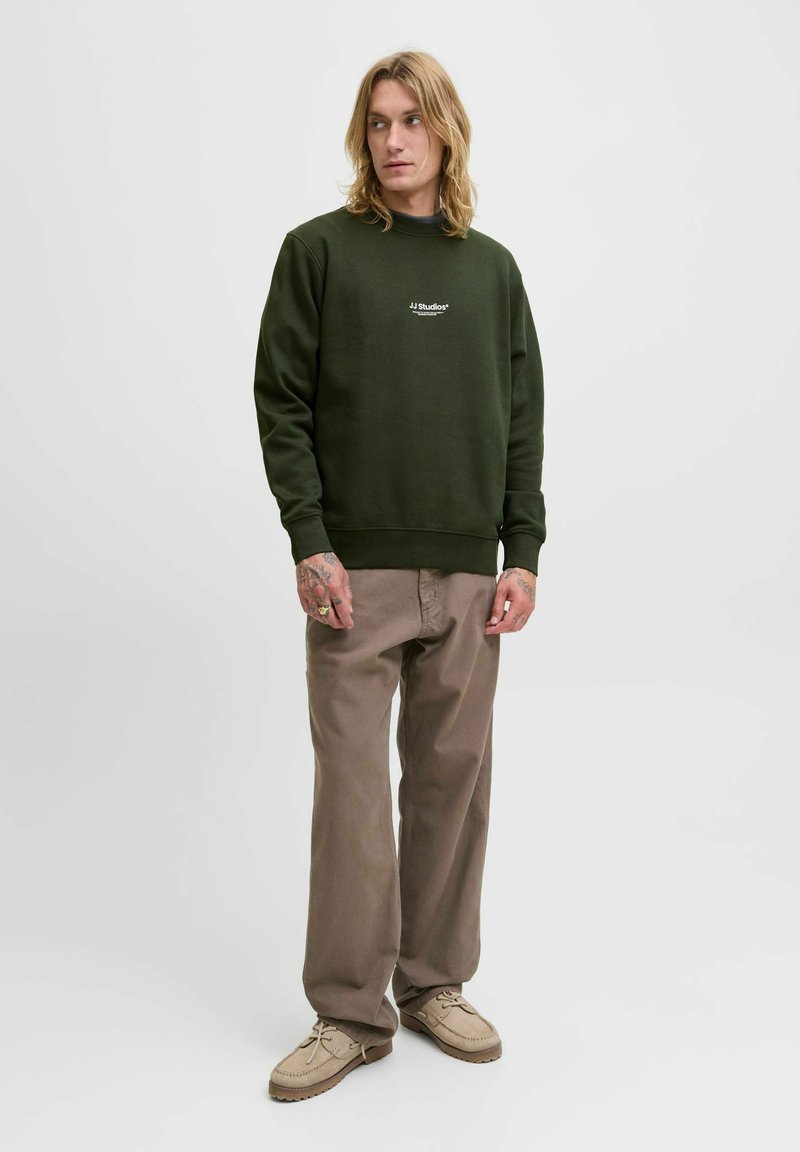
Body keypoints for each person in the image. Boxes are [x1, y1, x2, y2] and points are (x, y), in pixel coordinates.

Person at [253, 48, 546, 1102]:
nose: (393, 139)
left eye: (411, 119)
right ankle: (347, 1010)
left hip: (468, 574)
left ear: (445, 130)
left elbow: (522, 419)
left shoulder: (491, 270)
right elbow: (280, 400)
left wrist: (522, 551)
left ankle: (432, 984)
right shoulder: (318, 252)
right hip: (353, 575)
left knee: (451, 787)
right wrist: (309, 538)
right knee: (350, 796)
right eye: (377, 122)